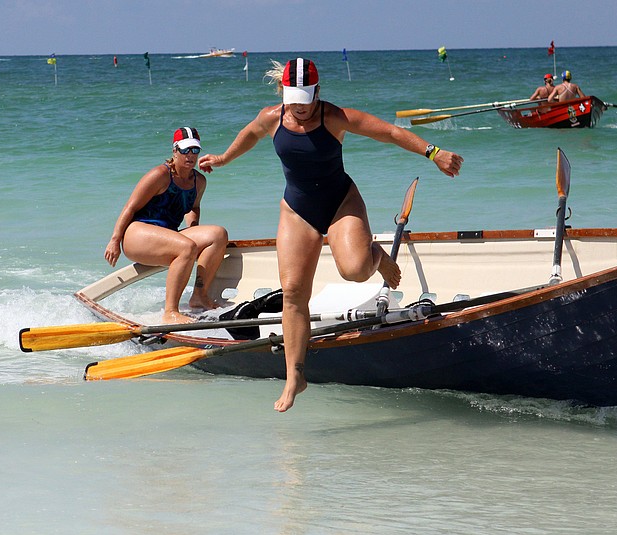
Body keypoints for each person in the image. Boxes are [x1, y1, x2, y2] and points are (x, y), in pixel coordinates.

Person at [198, 58, 463, 412]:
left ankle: (376, 255)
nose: (301, 107)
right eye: (294, 99)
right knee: (293, 293)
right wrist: (223, 158)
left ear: (317, 93)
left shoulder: (334, 116)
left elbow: (390, 132)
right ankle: (295, 376)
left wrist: (434, 153)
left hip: (340, 202)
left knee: (354, 270)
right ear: (283, 93)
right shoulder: (271, 117)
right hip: (297, 210)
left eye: (307, 99)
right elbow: (250, 135)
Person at [105, 127, 229, 324]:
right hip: (137, 234)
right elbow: (130, 207)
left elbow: (193, 207)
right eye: (185, 150)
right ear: (175, 150)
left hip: (167, 235)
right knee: (187, 247)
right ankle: (170, 311)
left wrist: (193, 227)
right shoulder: (160, 175)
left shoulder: (199, 181)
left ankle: (199, 295)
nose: (190, 156)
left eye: (195, 151)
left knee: (218, 235)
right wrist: (114, 240)